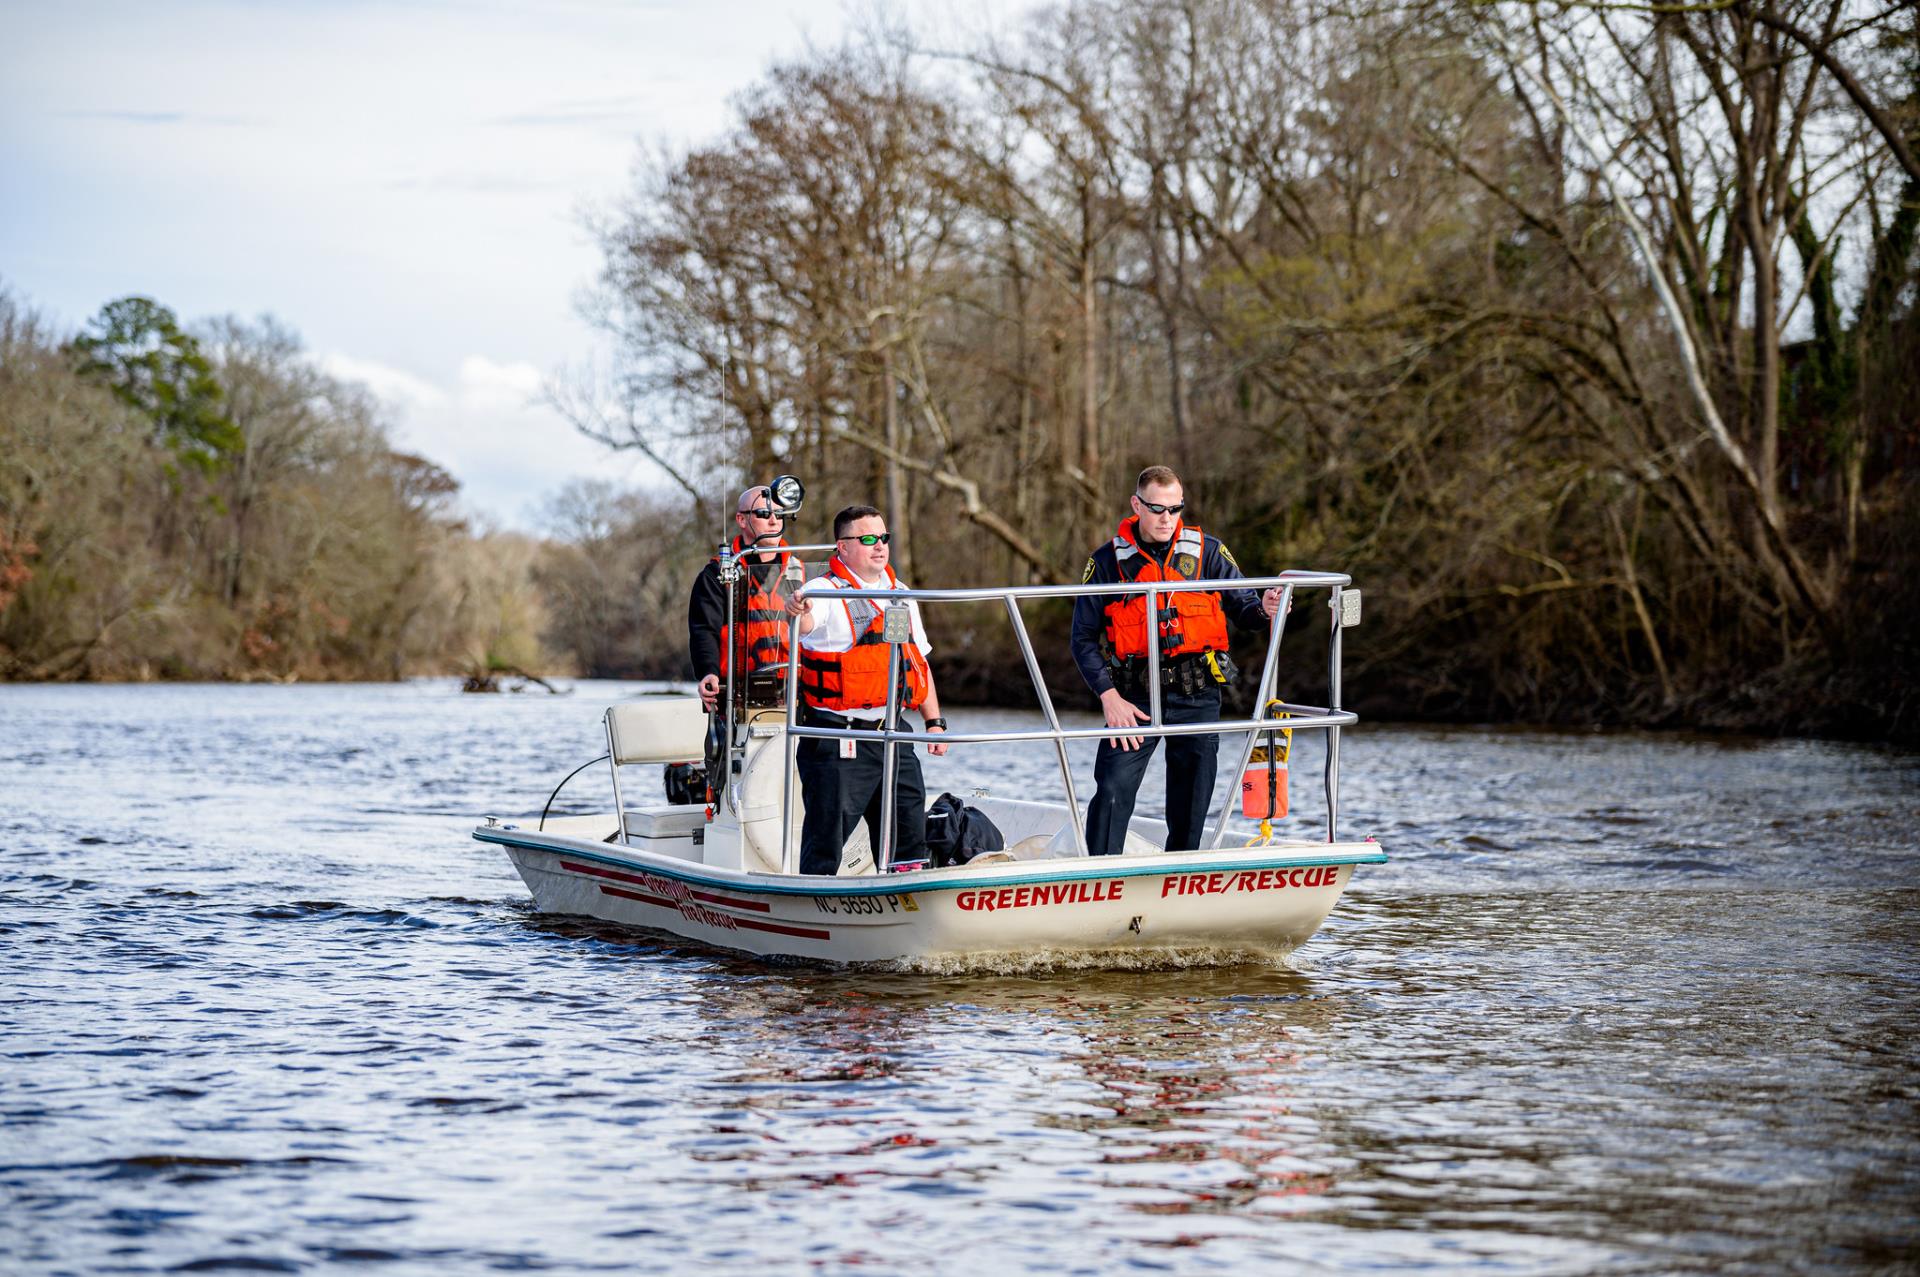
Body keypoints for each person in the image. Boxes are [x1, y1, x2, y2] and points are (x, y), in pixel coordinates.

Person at [1073, 465, 1285, 855]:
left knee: (1192, 801)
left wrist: (1267, 608)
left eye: (1175, 509)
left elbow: (1246, 612)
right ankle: (1098, 878)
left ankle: (1179, 878)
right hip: (1134, 698)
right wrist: (1108, 696)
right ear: (1137, 505)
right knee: (1113, 789)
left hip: (1196, 694)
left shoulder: (1208, 552)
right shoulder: (1106, 562)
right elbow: (1082, 639)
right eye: (1156, 509)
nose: (1166, 518)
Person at [782, 506, 949, 875]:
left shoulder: (900, 593)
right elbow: (806, 620)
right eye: (868, 538)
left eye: (883, 538)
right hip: (837, 737)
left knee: (907, 832)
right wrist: (798, 609)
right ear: (842, 547)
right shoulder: (822, 591)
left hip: (892, 734)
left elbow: (917, 662)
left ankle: (906, 897)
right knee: (826, 839)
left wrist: (934, 722)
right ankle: (813, 904)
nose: (879, 546)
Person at [688, 485, 797, 712]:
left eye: (780, 514)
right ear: (742, 519)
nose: (774, 521)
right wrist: (708, 671)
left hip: (792, 692)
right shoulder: (718, 573)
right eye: (764, 514)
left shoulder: (799, 570)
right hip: (737, 694)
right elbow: (704, 630)